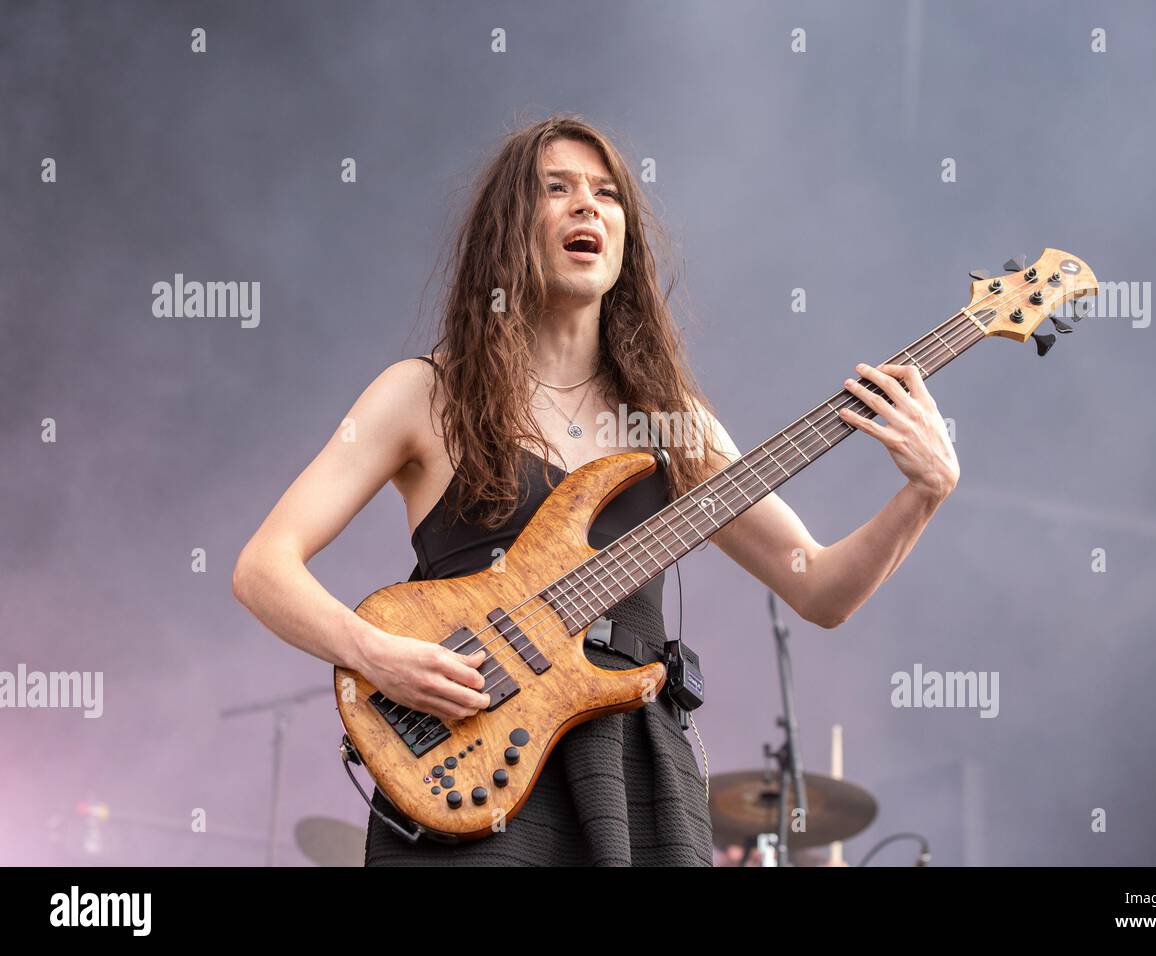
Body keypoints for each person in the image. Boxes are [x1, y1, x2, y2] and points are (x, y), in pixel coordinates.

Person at [231, 114, 959, 867]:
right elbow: (263, 567)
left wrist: (923, 493)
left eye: (608, 193)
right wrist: (376, 656)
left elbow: (821, 590)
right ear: (507, 229)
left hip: (633, 773)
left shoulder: (675, 424)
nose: (588, 206)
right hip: (472, 755)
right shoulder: (424, 394)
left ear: (626, 240)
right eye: (558, 189)